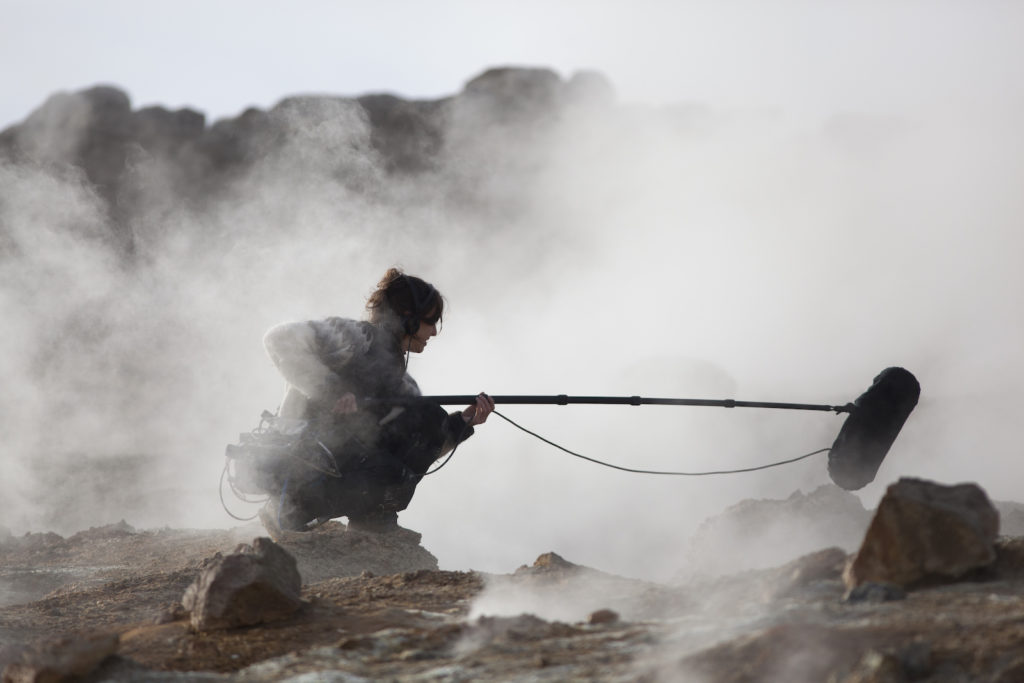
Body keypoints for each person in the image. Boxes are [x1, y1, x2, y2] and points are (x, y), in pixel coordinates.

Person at [257, 267, 494, 533]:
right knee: (423, 418)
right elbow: (278, 338)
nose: (434, 333)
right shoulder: (356, 337)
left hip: (332, 467)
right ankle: (289, 511)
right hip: (299, 462)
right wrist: (331, 390)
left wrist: (463, 423)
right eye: (431, 321)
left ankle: (369, 522)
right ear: (409, 318)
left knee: (428, 419)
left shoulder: (403, 386)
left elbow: (419, 452)